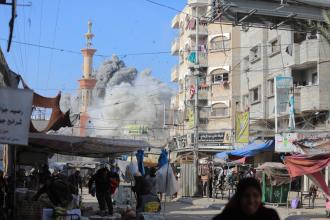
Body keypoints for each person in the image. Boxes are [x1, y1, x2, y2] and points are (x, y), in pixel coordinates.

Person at [213, 177, 280, 220]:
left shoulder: (270, 216)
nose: (251, 200)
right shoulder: (225, 218)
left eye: (255, 195)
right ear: (239, 197)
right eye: (247, 195)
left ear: (260, 197)